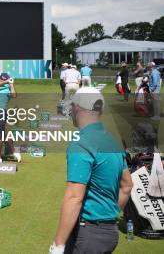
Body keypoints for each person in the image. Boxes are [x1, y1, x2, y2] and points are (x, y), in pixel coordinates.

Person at [49, 87, 133, 254]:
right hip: (109, 233)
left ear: (77, 107)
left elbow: (74, 197)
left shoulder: (81, 142)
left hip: (87, 235)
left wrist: (57, 246)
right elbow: (127, 185)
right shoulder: (111, 140)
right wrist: (108, 216)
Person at [0, 72, 21, 163]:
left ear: (3, 79)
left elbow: (14, 95)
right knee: (2, 134)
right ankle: (13, 152)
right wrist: (7, 81)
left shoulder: (8, 88)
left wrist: (11, 84)